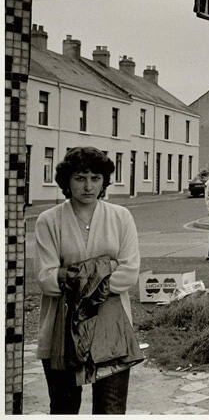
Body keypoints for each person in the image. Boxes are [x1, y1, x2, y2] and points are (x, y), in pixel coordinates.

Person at [34, 147, 142, 414]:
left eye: (95, 178)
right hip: (62, 330)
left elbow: (128, 273)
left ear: (104, 181)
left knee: (111, 408)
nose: (88, 186)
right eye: (80, 178)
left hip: (112, 329)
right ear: (67, 181)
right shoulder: (49, 221)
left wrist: (70, 274)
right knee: (64, 407)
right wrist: (104, 268)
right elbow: (47, 279)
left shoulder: (120, 217)